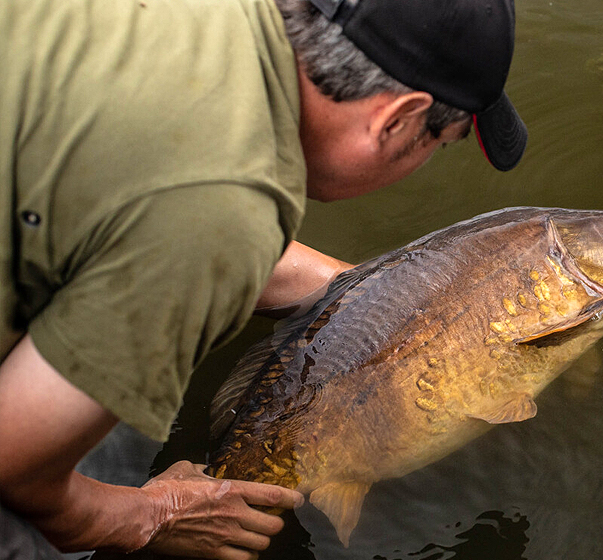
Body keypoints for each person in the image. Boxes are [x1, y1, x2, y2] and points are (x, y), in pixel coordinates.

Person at [0, 0, 528, 557]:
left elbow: (165, 209)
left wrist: (380, 303)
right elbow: (15, 464)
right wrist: (161, 514)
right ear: (395, 119)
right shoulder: (224, 210)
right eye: (440, 144)